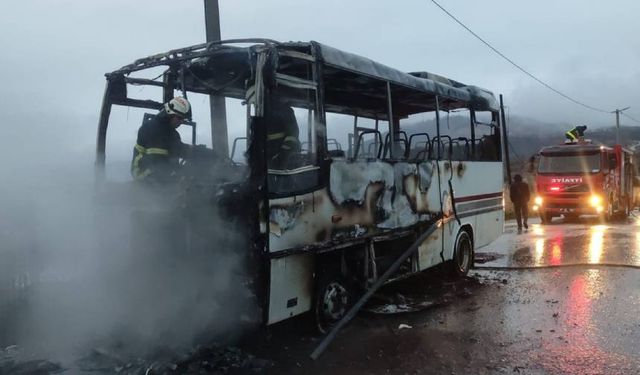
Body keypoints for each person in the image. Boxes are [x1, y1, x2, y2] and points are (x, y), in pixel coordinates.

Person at [130, 96, 195, 183]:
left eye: (183, 119)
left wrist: (197, 151)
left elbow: (176, 151)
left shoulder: (172, 133)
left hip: (158, 177)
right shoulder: (152, 128)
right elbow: (159, 162)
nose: (181, 122)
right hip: (144, 177)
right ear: (169, 113)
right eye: (179, 118)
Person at [265, 98, 300, 169]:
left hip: (284, 155)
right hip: (272, 154)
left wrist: (282, 155)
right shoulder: (266, 111)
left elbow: (292, 135)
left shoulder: (285, 111)